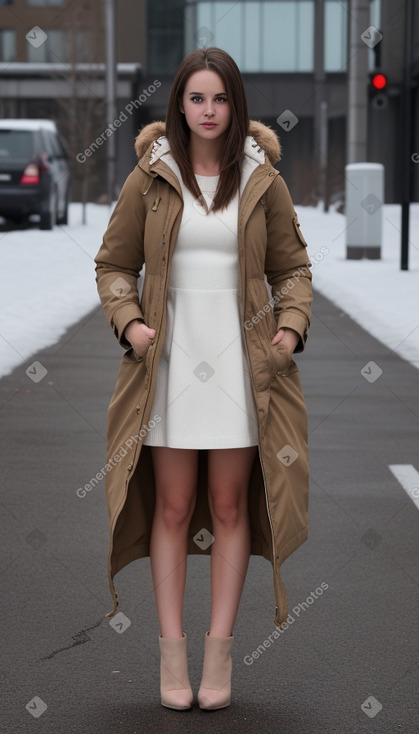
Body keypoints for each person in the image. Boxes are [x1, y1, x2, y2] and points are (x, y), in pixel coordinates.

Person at [94, 46, 312, 711]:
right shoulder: (151, 175)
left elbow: (293, 269)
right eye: (196, 98)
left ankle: (219, 654)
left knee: (227, 507)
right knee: (171, 506)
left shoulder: (261, 179)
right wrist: (130, 324)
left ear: (234, 104)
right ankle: (172, 655)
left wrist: (289, 328)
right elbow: (112, 264)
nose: (208, 111)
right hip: (168, 363)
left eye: (219, 99)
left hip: (242, 371)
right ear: (178, 105)